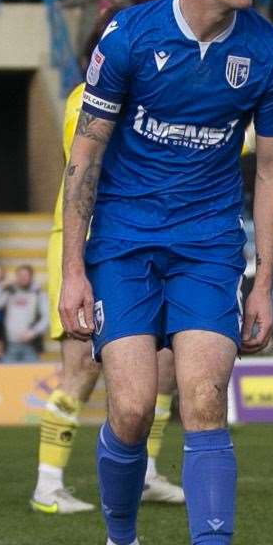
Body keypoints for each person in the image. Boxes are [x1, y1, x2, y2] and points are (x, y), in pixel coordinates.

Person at [61, 0, 273, 545]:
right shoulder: (130, 36)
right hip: (124, 242)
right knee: (128, 408)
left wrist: (264, 279)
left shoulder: (265, 50)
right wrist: (73, 268)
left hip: (205, 244)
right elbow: (86, 155)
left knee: (202, 395)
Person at [30, 82, 185, 515]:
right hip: (81, 247)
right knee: (81, 368)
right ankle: (47, 484)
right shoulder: (85, 98)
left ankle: (148, 475)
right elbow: (107, 157)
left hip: (133, 246)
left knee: (164, 365)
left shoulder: (147, 98)